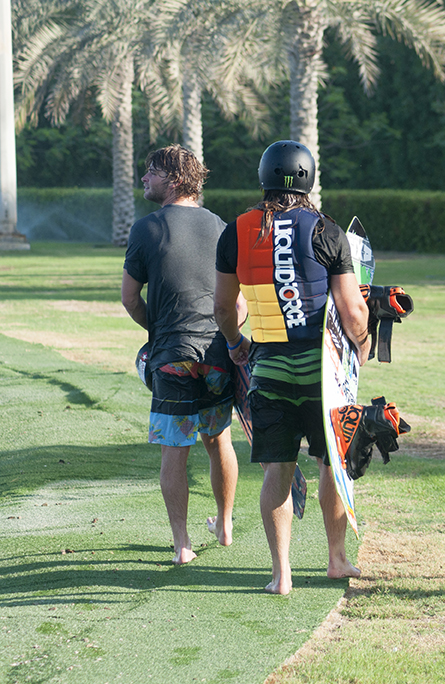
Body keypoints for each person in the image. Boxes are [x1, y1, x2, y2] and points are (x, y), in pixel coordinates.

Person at [213, 140, 372, 595]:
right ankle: (336, 559)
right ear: (309, 179)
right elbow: (352, 311)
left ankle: (280, 573)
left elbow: (223, 308)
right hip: (323, 376)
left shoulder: (236, 232)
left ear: (264, 177)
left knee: (277, 470)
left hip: (269, 371)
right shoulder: (326, 230)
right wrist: (361, 346)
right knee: (330, 463)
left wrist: (236, 343)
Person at [121, 144, 241, 565]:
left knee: (174, 448)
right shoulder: (222, 226)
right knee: (218, 439)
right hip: (216, 354)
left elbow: (130, 298)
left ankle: (182, 544)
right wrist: (231, 337)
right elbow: (237, 302)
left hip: (172, 356)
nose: (144, 178)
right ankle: (225, 525)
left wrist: (156, 332)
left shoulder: (146, 228)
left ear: (173, 179)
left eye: (151, 171)